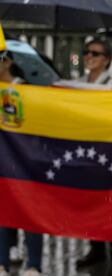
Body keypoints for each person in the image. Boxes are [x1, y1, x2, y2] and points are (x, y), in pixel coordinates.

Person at [76, 37, 112, 271]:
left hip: (109, 151)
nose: (89, 57)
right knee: (91, 201)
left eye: (95, 53)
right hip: (86, 150)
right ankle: (95, 249)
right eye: (87, 53)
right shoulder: (78, 83)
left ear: (106, 59)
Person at [0, 51, 43, 276]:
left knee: (29, 212)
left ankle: (34, 263)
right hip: (3, 162)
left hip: (24, 160)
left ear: (6, 62)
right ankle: (2, 261)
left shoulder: (24, 89)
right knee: (3, 211)